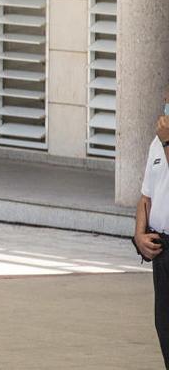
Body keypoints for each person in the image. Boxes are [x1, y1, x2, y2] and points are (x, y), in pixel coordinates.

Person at [134, 86, 169, 369]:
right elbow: (146, 196)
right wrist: (139, 234)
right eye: (167, 100)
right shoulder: (156, 143)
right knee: (164, 324)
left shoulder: (164, 141)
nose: (166, 107)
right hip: (162, 248)